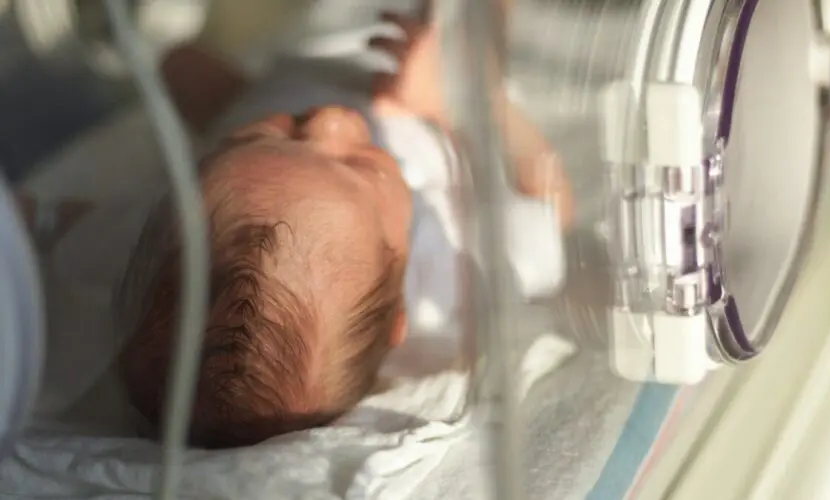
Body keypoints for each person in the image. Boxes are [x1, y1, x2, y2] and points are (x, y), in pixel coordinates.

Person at [116, 3, 574, 449]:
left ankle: (153, 39)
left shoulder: (177, 229)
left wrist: (51, 217)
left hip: (260, 95)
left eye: (268, 139)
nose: (328, 121)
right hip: (417, 86)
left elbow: (87, 229)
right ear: (399, 322)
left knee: (177, 65)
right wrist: (458, 102)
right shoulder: (444, 276)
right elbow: (552, 204)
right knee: (474, 26)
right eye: (360, 168)